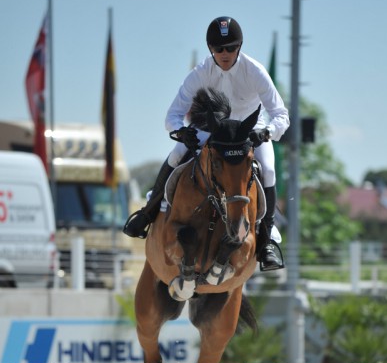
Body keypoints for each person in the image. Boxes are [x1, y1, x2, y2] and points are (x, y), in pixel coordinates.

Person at [123, 16, 290, 271]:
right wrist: (182, 132)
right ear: (210, 49)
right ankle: (148, 212)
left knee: (267, 168)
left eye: (231, 48)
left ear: (240, 46)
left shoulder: (254, 71)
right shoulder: (201, 72)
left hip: (249, 131)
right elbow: (172, 115)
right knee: (177, 154)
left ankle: (267, 238)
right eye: (218, 49)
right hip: (212, 130)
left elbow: (281, 115)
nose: (225, 54)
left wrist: (267, 132)